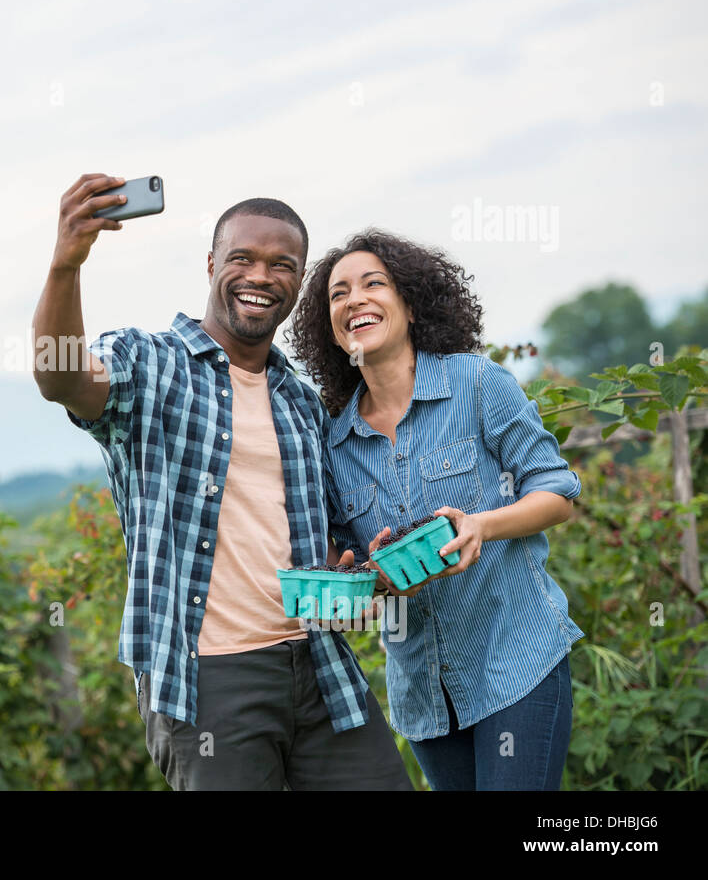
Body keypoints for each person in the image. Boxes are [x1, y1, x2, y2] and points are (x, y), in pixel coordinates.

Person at [32, 173, 412, 790]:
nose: (261, 276)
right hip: (208, 679)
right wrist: (65, 264)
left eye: (282, 265)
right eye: (243, 258)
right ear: (211, 263)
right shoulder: (149, 365)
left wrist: (359, 573)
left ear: (299, 280)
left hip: (320, 666)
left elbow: (320, 542)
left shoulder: (301, 402)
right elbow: (60, 378)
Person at [288, 227, 582, 791]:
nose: (355, 300)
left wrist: (481, 526)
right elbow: (352, 561)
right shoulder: (334, 441)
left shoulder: (477, 384)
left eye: (374, 284)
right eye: (338, 293)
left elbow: (556, 492)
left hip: (515, 662)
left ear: (411, 305)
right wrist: (367, 577)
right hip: (423, 695)